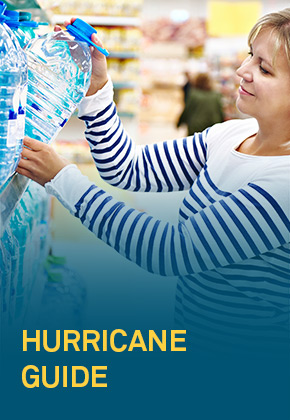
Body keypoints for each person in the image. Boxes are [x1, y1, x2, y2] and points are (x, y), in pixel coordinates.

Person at [16, 9, 290, 353]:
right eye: (251, 55)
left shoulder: (284, 184)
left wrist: (61, 177)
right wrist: (98, 88)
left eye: (264, 68)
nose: (242, 71)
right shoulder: (233, 134)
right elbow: (127, 168)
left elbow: (172, 251)